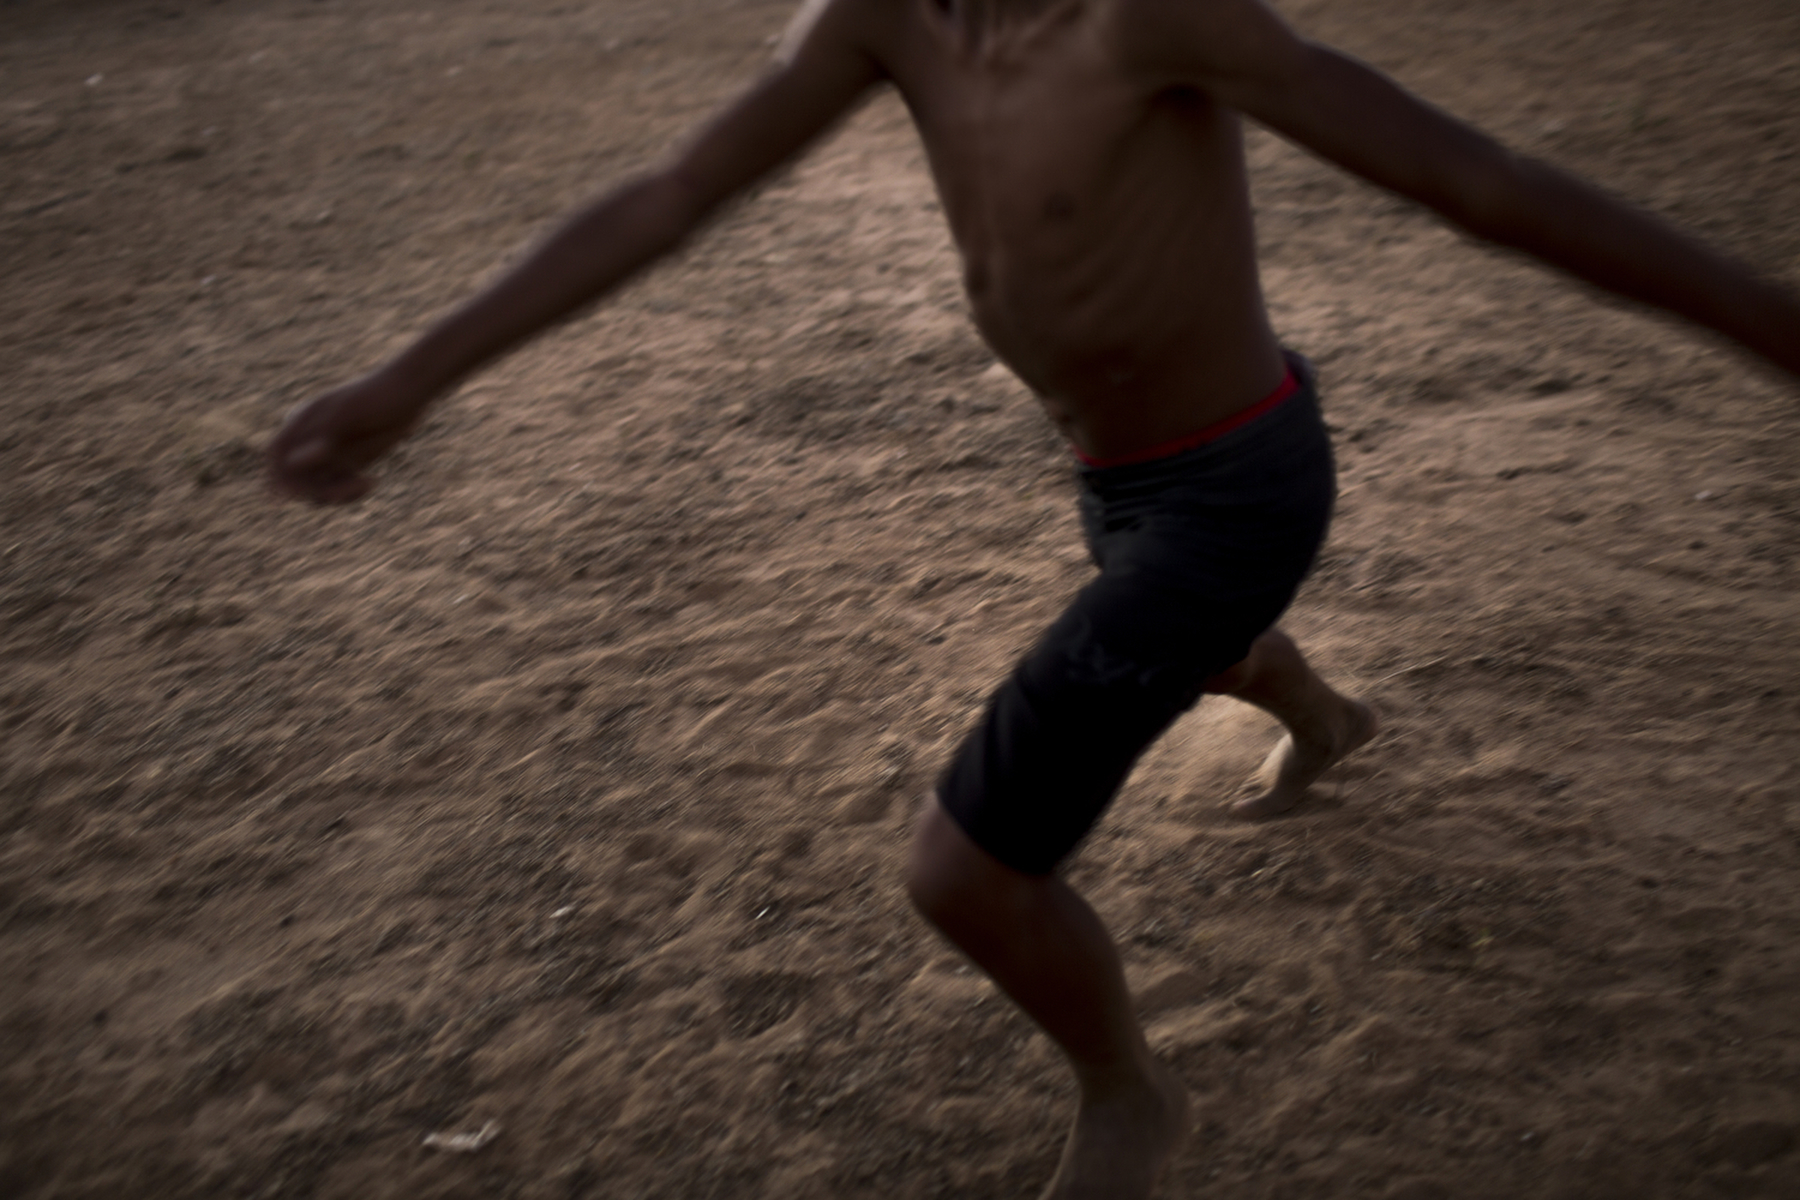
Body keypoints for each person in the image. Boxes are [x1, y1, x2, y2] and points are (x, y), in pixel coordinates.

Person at [267, 1, 1800, 1195]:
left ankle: (1131, 1093)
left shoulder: (1153, 16)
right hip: (1119, 476)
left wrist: (1750, 311)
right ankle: (1322, 712)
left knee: (966, 874)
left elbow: (1472, 174)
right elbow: (672, 191)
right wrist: (414, 378)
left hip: (1237, 483)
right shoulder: (888, 18)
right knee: (1176, 645)